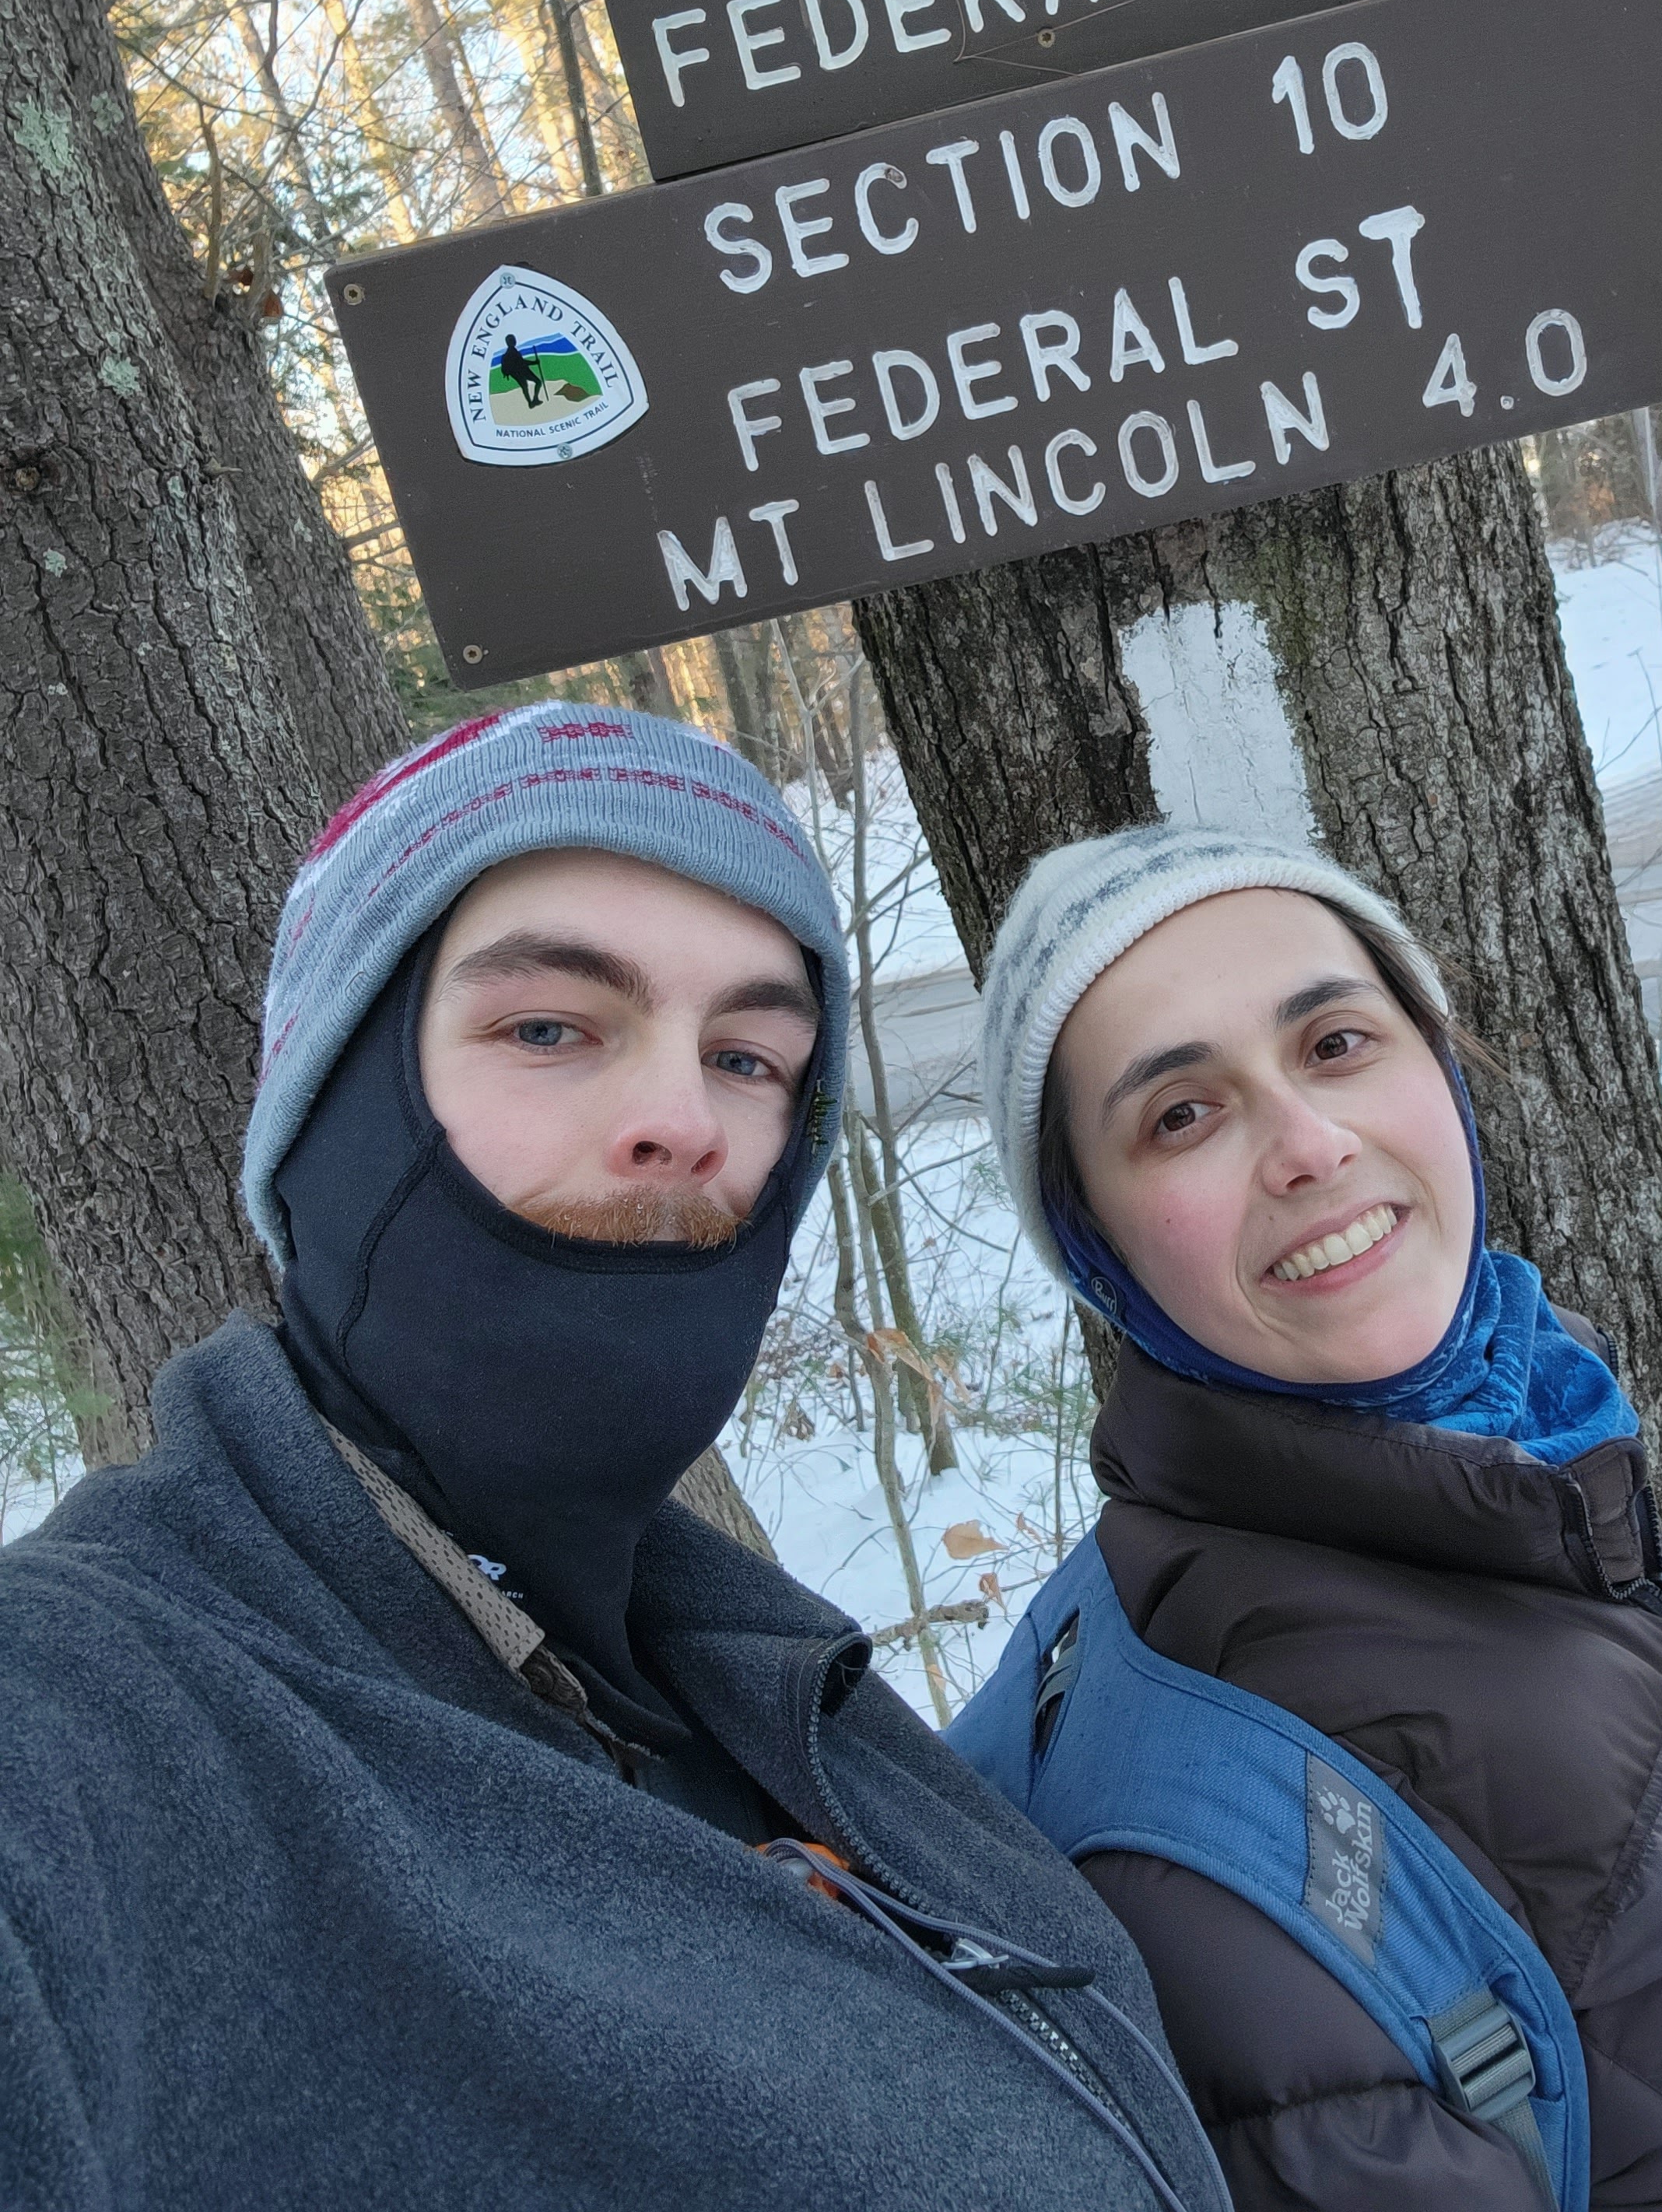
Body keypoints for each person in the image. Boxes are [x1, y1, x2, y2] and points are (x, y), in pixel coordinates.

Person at [0, 708, 1222, 2212]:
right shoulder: (88, 1727)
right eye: (549, 1028)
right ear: (333, 1099)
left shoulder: (785, 1701)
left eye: (748, 1056)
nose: (681, 1121)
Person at [959, 821, 1662, 2210]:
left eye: (1336, 1042)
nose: (1311, 1145)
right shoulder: (1225, 1873)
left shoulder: (1524, 1472)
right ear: (1099, 1250)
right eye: (1182, 1115)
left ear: (1439, 1066)